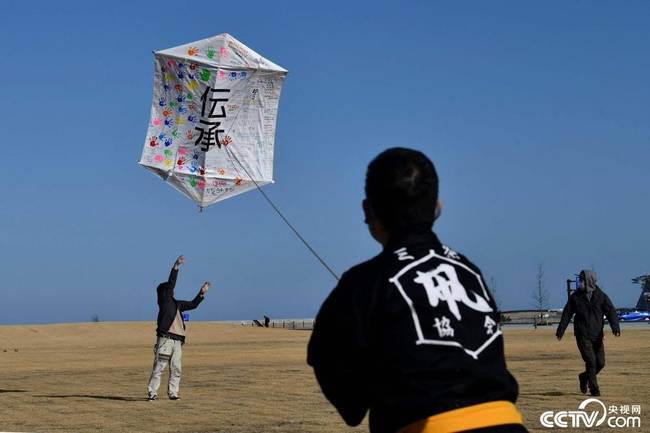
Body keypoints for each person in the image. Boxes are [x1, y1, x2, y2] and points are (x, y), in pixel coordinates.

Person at [307, 148, 527, 433]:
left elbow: (338, 377)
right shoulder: (468, 273)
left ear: (367, 210)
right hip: (509, 424)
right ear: (438, 206)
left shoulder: (364, 283)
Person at [147, 255, 209, 401]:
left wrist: (201, 293)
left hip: (177, 341)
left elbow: (193, 304)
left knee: (176, 369)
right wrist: (176, 266)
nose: (171, 290)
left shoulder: (176, 304)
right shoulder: (164, 302)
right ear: (163, 292)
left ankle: (173, 393)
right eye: (168, 289)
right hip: (165, 340)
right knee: (159, 368)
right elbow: (171, 283)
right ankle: (152, 393)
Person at [556, 269, 620, 396]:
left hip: (597, 336)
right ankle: (594, 389)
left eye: (581, 280)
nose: (579, 283)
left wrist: (615, 327)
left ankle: (584, 377)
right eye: (579, 280)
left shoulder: (601, 296)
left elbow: (611, 312)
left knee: (600, 363)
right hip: (582, 335)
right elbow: (567, 313)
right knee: (590, 361)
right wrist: (560, 330)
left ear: (589, 281)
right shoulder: (575, 297)